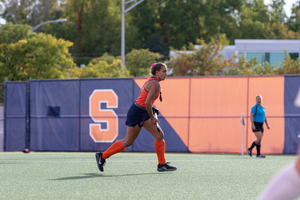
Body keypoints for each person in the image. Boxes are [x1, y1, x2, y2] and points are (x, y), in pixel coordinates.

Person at [95, 63, 177, 172]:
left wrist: (149, 111)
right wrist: (152, 117)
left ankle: (161, 164)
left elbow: (142, 97)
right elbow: (147, 102)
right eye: (164, 71)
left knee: (159, 135)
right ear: (156, 72)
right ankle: (102, 156)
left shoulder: (152, 81)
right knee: (128, 141)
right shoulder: (155, 84)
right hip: (138, 112)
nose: (166, 74)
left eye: (166, 71)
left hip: (143, 111)